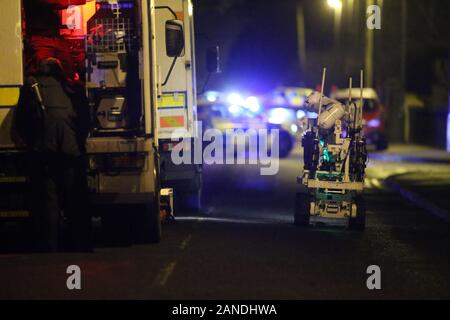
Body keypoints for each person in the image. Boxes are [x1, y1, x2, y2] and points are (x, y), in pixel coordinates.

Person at [17, 58, 92, 252]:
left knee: (49, 200)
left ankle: (50, 245)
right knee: (72, 197)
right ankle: (78, 243)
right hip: (70, 152)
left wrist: (31, 143)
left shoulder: (31, 87)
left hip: (43, 153)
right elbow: (85, 120)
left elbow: (22, 121)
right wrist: (79, 143)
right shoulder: (73, 88)